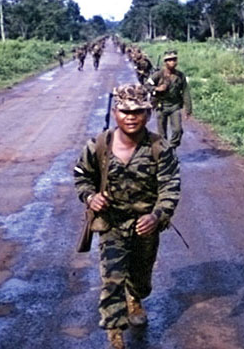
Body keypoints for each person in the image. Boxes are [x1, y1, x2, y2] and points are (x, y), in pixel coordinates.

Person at [74, 84, 180, 348]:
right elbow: (81, 177)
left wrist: (157, 216)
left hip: (146, 226)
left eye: (138, 111)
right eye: (125, 111)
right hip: (111, 223)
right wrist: (90, 197)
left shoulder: (160, 148)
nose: (131, 117)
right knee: (112, 278)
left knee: (141, 278)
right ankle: (115, 334)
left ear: (148, 113)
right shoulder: (98, 145)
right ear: (115, 111)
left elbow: (170, 187)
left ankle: (136, 297)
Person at [146, 50, 192, 149]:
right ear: (165, 62)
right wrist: (157, 88)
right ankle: (164, 150)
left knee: (177, 130)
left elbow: (185, 92)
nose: (172, 62)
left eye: (174, 60)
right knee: (161, 132)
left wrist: (188, 109)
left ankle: (172, 147)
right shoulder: (158, 74)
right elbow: (146, 86)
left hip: (174, 106)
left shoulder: (180, 76)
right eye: (169, 60)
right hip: (161, 106)